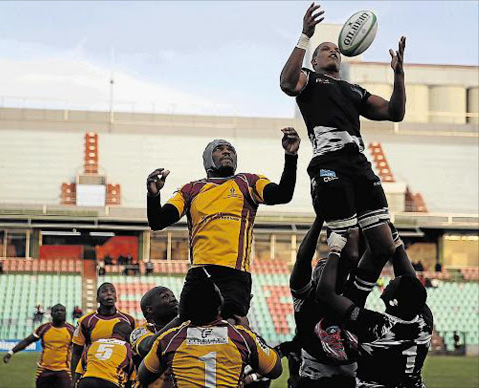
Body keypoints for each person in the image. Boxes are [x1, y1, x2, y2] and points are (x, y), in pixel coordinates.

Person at [280, 2, 407, 309]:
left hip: (359, 165)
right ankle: (328, 305)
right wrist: (305, 35)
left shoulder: (354, 90)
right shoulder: (309, 80)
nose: (333, 51)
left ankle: (350, 305)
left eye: (335, 49)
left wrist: (399, 75)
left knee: (383, 246)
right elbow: (286, 83)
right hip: (329, 163)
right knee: (348, 251)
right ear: (314, 59)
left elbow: (394, 112)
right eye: (325, 49)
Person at [147, 128, 300, 322]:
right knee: (188, 327)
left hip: (234, 274)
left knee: (229, 327)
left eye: (231, 150)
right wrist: (153, 195)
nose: (227, 152)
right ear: (208, 159)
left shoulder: (248, 181)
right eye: (219, 149)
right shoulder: (190, 189)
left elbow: (282, 195)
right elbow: (158, 221)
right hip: (200, 272)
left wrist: (291, 156)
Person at [316, 232, 433, 388]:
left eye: (392, 284)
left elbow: (325, 294)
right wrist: (396, 243)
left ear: (394, 301)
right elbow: (410, 282)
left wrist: (335, 249)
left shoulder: (378, 325)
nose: (390, 280)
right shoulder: (423, 321)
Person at [138, 276, 282, 387]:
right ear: (219, 307)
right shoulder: (240, 335)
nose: (172, 299)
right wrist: (248, 330)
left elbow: (144, 376)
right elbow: (274, 370)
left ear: (185, 308)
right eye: (165, 297)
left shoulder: (168, 339)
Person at [289, 218, 359, 387]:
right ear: (313, 279)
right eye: (321, 265)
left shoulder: (346, 295)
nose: (326, 268)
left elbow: (352, 258)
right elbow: (303, 260)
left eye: (330, 267)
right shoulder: (305, 297)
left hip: (347, 380)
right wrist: (319, 220)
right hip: (314, 380)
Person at [71, 283, 136, 382]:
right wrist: (74, 380)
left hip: (118, 379)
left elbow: (134, 352)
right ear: (97, 299)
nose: (109, 294)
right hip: (91, 376)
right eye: (104, 291)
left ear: (116, 297)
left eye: (112, 291)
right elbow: (76, 353)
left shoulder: (129, 320)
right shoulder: (85, 321)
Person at [3, 304, 74, 388]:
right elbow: (27, 341)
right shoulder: (44, 328)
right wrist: (11, 352)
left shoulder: (72, 330)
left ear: (65, 313)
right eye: (56, 310)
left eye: (62, 310)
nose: (59, 312)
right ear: (51, 314)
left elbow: (82, 348)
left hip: (64, 370)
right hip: (44, 370)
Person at [130, 286, 180, 387]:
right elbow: (146, 348)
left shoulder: (184, 328)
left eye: (173, 296)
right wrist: (179, 319)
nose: (173, 299)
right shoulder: (140, 331)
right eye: (165, 297)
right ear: (150, 310)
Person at [74, 322, 135, 388]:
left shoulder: (95, 343)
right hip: (110, 382)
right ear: (129, 336)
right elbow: (132, 378)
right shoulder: (128, 348)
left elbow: (79, 370)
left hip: (87, 381)